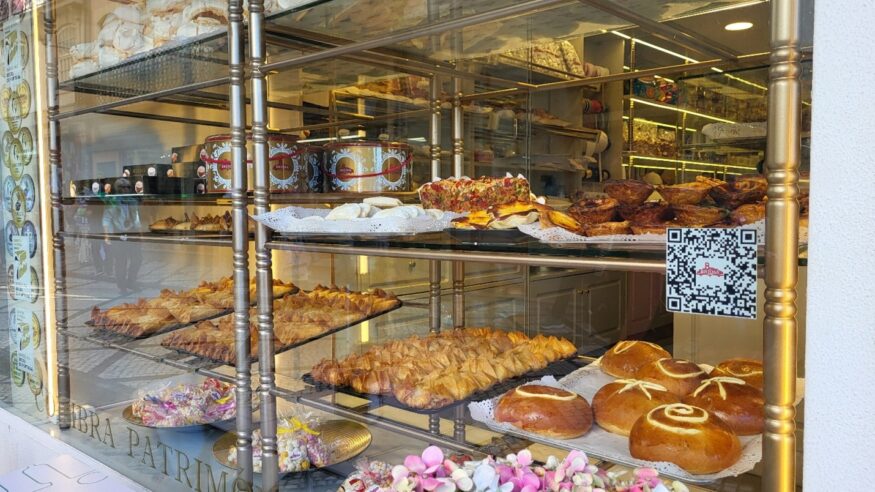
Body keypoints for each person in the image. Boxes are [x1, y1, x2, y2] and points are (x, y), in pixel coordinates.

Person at [102, 178, 142, 294]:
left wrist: (140, 233)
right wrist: (107, 235)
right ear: (118, 189)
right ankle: (122, 285)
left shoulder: (132, 201)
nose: (125, 190)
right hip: (118, 233)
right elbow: (106, 220)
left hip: (132, 232)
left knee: (137, 259)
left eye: (127, 187)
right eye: (122, 188)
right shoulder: (112, 202)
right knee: (121, 261)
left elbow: (136, 217)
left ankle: (131, 281)